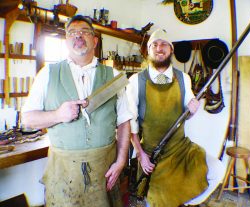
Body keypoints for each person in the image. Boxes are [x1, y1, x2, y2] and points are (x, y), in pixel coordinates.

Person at [21, 15, 132, 207]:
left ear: (95, 40)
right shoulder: (47, 74)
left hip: (104, 172)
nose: (78, 36)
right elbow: (28, 119)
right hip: (63, 175)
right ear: (66, 41)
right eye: (72, 32)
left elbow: (124, 121)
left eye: (84, 32)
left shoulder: (113, 77)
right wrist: (58, 115)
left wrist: (121, 160)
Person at [126, 29, 209, 207]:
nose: (159, 48)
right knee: (157, 200)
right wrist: (141, 155)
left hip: (180, 149)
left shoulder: (183, 78)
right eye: (154, 45)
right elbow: (129, 123)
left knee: (208, 170)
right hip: (151, 155)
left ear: (171, 50)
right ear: (148, 50)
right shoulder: (136, 81)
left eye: (164, 44)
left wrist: (194, 109)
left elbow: (188, 113)